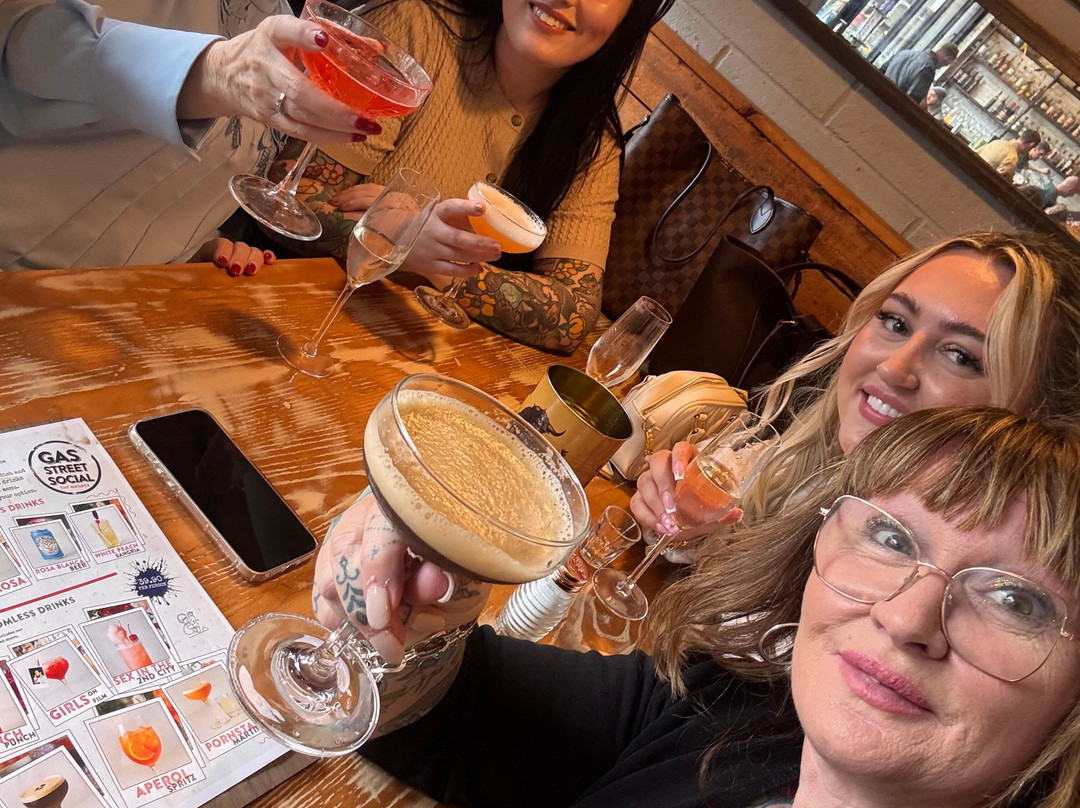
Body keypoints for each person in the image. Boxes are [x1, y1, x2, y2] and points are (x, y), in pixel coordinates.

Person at [311, 407, 1080, 808]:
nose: (907, 619)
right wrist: (391, 612)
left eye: (1015, 601)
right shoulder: (738, 714)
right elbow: (444, 721)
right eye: (888, 536)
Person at [260, 0, 674, 353]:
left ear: (630, 17)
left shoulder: (592, 145)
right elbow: (289, 203)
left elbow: (572, 316)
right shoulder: (412, 34)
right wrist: (404, 241)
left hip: (408, 359)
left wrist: (428, 251)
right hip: (283, 322)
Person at [630, 231, 1080, 541]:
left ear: (1034, 418)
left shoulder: (938, 580)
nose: (894, 368)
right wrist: (678, 521)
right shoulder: (809, 460)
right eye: (896, 322)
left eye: (961, 356)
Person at [0, 0, 381, 271]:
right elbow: (24, 41)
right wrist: (212, 72)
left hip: (116, 305)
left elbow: (174, 177)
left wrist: (194, 247)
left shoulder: (293, 20)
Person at [883, 42, 958, 103]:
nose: (941, 67)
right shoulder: (929, 69)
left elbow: (882, 70)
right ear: (946, 58)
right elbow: (912, 99)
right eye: (945, 64)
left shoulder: (904, 53)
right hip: (890, 104)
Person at [976, 128, 1041, 177]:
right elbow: (997, 179)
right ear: (1031, 145)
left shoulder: (998, 142)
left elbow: (975, 153)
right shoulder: (1012, 157)